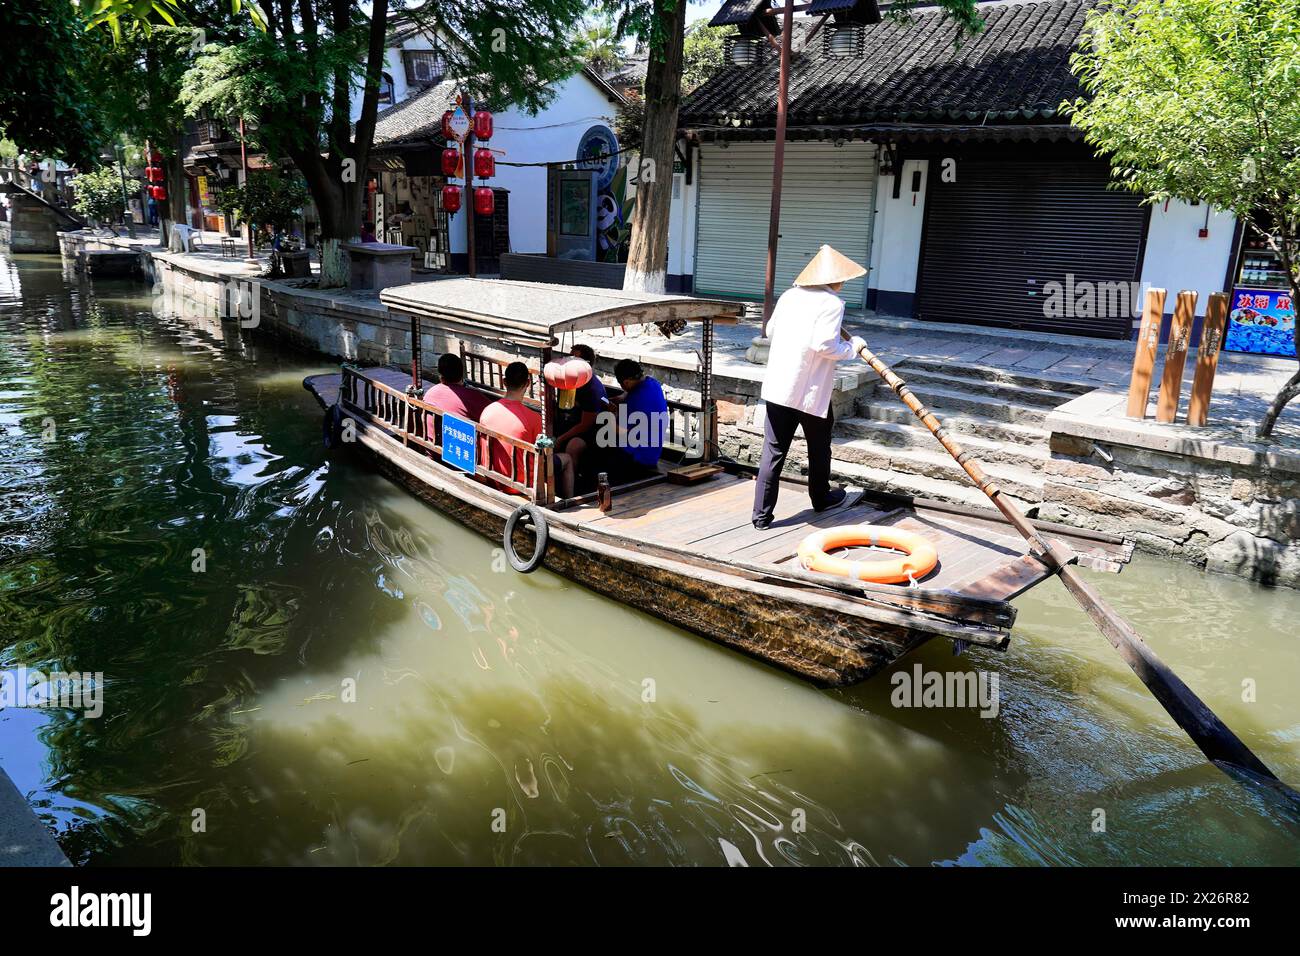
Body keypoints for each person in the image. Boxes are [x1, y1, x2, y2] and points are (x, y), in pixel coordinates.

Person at [752, 244, 869, 530]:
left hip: (780, 386)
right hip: (810, 391)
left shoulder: (790, 295)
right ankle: (820, 497)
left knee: (774, 451)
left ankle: (761, 517)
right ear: (833, 279)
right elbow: (825, 345)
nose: (844, 284)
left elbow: (769, 331)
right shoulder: (831, 304)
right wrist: (853, 347)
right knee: (819, 447)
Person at [480, 362, 573, 497]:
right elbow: (547, 450)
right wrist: (557, 439)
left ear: (504, 382)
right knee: (567, 459)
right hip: (523, 485)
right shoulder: (534, 418)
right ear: (528, 383)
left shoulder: (487, 411)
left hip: (494, 478)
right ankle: (568, 502)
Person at [601, 358, 668, 483]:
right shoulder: (652, 383)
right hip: (654, 451)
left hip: (639, 457)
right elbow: (627, 394)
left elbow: (619, 431)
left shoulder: (635, 401)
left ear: (626, 382)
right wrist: (620, 397)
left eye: (622, 385)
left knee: (599, 453)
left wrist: (611, 415)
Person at [554, 343, 609, 487]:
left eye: (573, 360)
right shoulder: (568, 380)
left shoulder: (592, 388)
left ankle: (571, 486)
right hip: (569, 424)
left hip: (592, 432)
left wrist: (561, 438)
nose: (568, 362)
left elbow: (586, 424)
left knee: (574, 445)